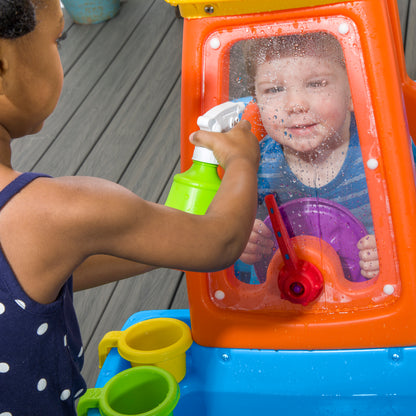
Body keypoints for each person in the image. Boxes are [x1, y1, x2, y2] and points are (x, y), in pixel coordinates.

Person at [0, 0, 259, 414]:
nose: (60, 51)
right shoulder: (57, 210)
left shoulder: (37, 234)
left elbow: (43, 270)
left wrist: (159, 242)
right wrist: (242, 159)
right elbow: (221, 241)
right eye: (57, 40)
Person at [236, 32, 379, 283]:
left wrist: (392, 250)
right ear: (257, 102)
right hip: (291, 295)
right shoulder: (256, 165)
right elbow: (234, 231)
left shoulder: (379, 154)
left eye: (316, 83)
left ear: (354, 92)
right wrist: (247, 243)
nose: (295, 104)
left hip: (369, 297)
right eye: (274, 89)